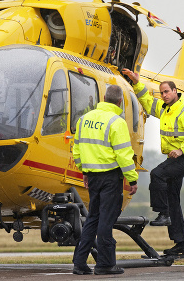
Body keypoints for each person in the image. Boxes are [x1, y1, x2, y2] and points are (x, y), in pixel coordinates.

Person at [122, 68, 184, 256]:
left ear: (175, 91)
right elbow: (148, 101)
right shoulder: (164, 108)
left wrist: (180, 149)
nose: (164, 95)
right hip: (173, 158)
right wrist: (136, 82)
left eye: (167, 91)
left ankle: (163, 213)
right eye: (162, 93)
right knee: (173, 199)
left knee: (157, 174)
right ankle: (182, 243)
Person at [72, 84, 138, 275]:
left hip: (92, 176)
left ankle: (79, 262)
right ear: (119, 102)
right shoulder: (116, 122)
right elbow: (124, 156)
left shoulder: (84, 119)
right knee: (106, 220)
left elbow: (76, 150)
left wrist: (84, 170)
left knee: (92, 218)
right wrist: (132, 179)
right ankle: (105, 264)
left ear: (103, 98)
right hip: (110, 178)